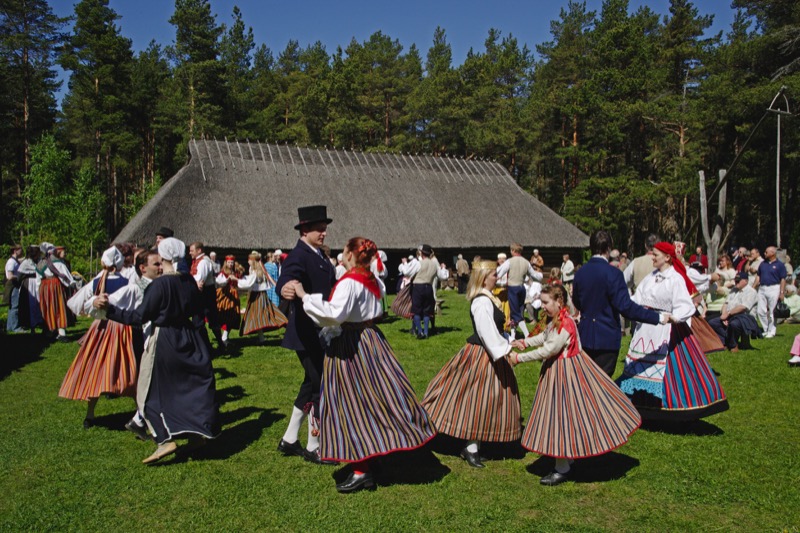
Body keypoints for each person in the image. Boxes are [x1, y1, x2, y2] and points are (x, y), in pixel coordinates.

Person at [288, 237, 436, 493]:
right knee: (374, 399)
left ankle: (361, 469)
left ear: (349, 255)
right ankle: (372, 455)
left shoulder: (349, 282)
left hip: (351, 345)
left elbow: (333, 314)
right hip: (372, 341)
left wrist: (303, 295)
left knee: (350, 404)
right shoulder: (373, 279)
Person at [97, 237, 220, 464]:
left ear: (162, 257)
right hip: (189, 336)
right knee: (186, 388)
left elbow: (139, 316)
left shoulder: (160, 285)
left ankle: (164, 440)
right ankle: (195, 435)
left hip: (164, 338)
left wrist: (109, 310)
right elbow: (197, 309)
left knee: (146, 391)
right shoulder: (189, 281)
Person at [509, 284, 642, 486]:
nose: (542, 306)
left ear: (559, 301)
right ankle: (568, 457)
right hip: (560, 370)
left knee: (560, 417)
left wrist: (519, 358)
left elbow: (549, 350)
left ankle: (562, 467)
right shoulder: (557, 320)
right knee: (565, 416)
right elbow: (545, 336)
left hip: (565, 373)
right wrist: (526, 342)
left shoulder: (565, 324)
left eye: (546, 302)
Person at [422, 259, 521, 469]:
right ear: (484, 278)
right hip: (482, 356)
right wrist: (505, 350)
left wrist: (509, 341)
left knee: (487, 401)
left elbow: (495, 329)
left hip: (490, 353)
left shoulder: (488, 298)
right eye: (494, 274)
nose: (497, 277)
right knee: (477, 400)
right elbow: (486, 332)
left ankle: (475, 444)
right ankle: (471, 447)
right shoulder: (481, 301)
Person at [617, 242, 729, 420]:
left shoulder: (675, 279)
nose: (652, 257)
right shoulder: (650, 277)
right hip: (646, 330)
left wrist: (674, 317)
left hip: (666, 330)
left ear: (667, 257)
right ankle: (639, 405)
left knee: (668, 371)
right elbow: (637, 299)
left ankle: (668, 408)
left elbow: (685, 305)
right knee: (639, 367)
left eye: (655, 255)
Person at [275, 205, 337, 465]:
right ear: (305, 230)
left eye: (324, 228)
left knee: (310, 383)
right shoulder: (300, 255)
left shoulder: (318, 254)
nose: (324, 233)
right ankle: (314, 445)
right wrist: (286, 287)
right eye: (319, 229)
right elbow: (286, 279)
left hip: (318, 331)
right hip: (306, 333)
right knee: (319, 386)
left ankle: (289, 439)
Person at [60, 247, 137, 429]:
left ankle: (90, 414)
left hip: (100, 328)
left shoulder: (96, 281)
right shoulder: (127, 280)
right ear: (118, 263)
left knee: (96, 369)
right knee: (130, 369)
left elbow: (74, 303)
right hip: (121, 328)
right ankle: (141, 412)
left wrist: (91, 306)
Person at [572, 230, 665, 377]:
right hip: (607, 337)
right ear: (608, 248)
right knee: (603, 385)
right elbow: (626, 307)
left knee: (587, 383)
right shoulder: (613, 273)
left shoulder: (581, 273)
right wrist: (657, 317)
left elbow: (577, 301)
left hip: (586, 335)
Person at [238, 251, 287, 344]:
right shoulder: (260, 269)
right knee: (259, 316)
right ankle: (261, 339)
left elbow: (249, 283)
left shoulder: (255, 271)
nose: (248, 261)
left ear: (252, 261)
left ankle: (285, 324)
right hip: (260, 295)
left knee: (260, 315)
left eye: (249, 260)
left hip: (257, 296)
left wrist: (236, 281)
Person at [496, 243, 543, 337]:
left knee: (516, 314)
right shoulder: (526, 262)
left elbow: (499, 273)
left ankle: (527, 334)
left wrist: (495, 279)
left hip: (513, 289)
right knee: (515, 313)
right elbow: (535, 275)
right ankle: (513, 336)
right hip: (522, 289)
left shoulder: (509, 261)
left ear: (513, 251)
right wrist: (540, 276)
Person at [707, 272, 759, 352]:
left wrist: (728, 314)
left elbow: (743, 307)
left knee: (734, 324)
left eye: (738, 280)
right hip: (731, 315)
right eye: (736, 280)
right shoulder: (733, 290)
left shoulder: (751, 292)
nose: (736, 282)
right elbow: (726, 303)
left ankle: (733, 345)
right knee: (712, 323)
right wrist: (724, 315)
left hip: (745, 317)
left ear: (746, 281)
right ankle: (726, 342)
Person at [189, 242, 225, 349]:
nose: (189, 252)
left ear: (199, 250)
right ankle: (207, 345)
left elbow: (200, 280)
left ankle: (214, 345)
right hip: (204, 292)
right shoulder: (198, 261)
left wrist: (190, 280)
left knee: (205, 320)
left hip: (205, 293)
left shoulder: (203, 262)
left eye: (192, 250)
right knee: (200, 320)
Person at [37, 242, 75, 341]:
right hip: (55, 286)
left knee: (48, 307)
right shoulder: (57, 262)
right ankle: (62, 333)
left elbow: (38, 279)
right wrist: (72, 284)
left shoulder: (40, 263)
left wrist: (39, 291)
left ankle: (50, 331)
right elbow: (66, 277)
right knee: (59, 307)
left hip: (44, 287)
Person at [753, 246, 787, 339]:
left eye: (766, 252)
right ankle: (766, 329)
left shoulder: (780, 265)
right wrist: (753, 287)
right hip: (762, 288)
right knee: (760, 311)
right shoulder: (762, 264)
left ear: (772, 253)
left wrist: (782, 292)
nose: (764, 253)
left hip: (774, 288)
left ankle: (772, 331)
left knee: (772, 311)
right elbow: (758, 276)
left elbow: (783, 279)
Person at [215, 255, 244, 346]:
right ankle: (222, 337)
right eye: (229, 262)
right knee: (223, 313)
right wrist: (228, 279)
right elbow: (219, 282)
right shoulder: (223, 272)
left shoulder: (236, 272)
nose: (231, 264)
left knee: (233, 315)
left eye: (232, 262)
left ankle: (225, 337)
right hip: (224, 294)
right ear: (226, 263)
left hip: (233, 295)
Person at [411, 244, 438, 339]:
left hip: (418, 287)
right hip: (429, 287)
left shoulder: (419, 263)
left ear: (422, 253)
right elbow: (442, 276)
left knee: (416, 311)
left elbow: (408, 272)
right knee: (427, 311)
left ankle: (420, 331)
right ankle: (426, 332)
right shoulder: (434, 265)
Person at [17, 245, 43, 332]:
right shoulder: (25, 263)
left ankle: (41, 323)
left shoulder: (40, 261)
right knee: (30, 305)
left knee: (39, 304)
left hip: (38, 283)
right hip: (29, 285)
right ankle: (32, 326)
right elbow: (19, 276)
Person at [4, 245, 25, 333]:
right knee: (15, 307)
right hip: (13, 285)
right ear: (15, 251)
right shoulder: (11, 262)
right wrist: (19, 276)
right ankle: (16, 327)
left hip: (14, 285)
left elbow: (21, 260)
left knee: (12, 307)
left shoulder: (14, 261)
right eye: (20, 249)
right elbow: (10, 276)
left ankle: (10, 327)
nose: (22, 251)